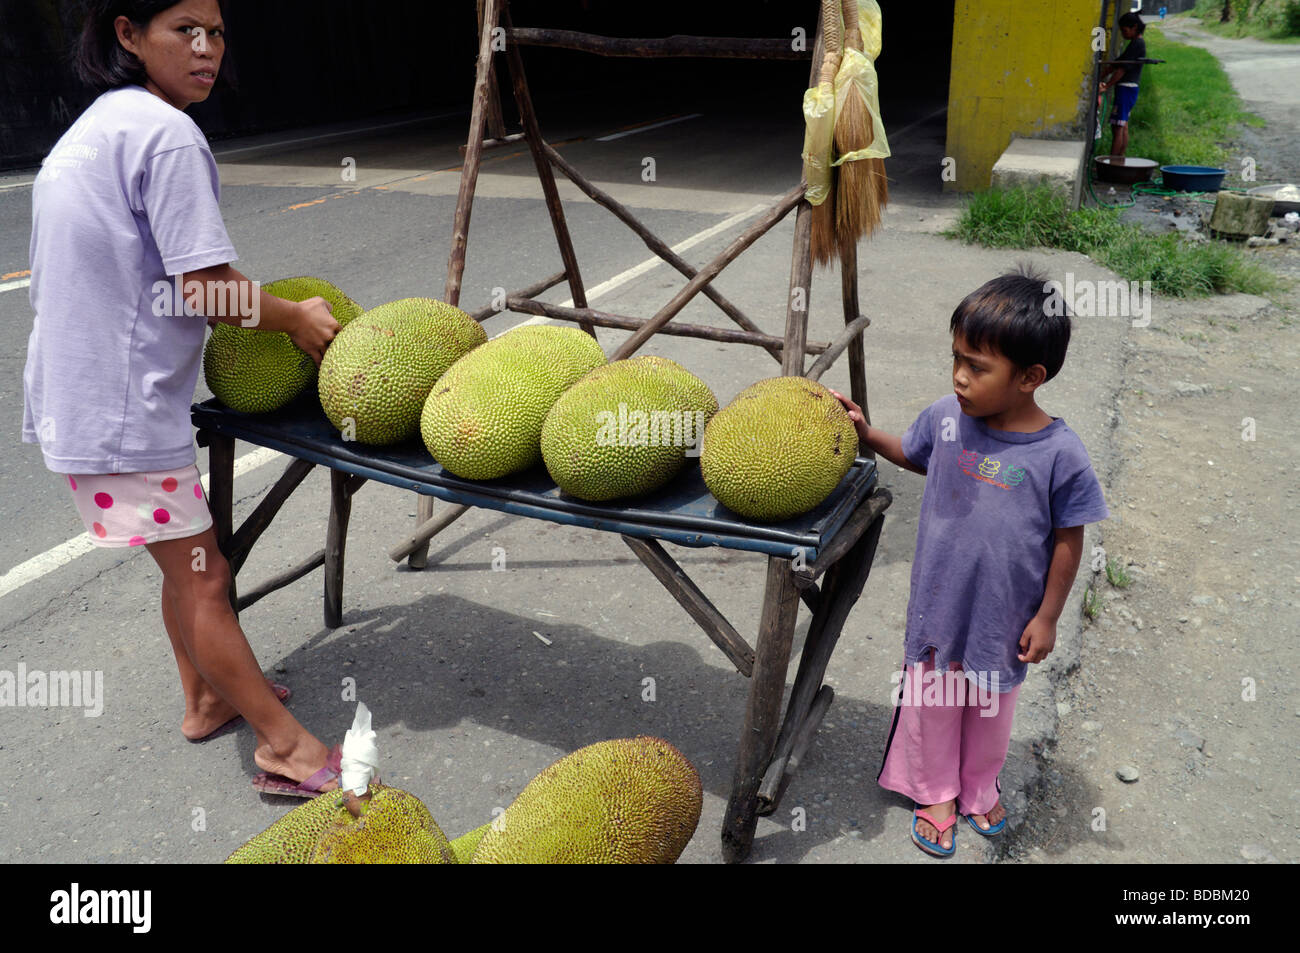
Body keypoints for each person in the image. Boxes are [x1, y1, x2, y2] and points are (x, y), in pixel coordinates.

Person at [21, 0, 344, 796]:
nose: (206, 48)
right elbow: (206, 292)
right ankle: (288, 751)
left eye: (218, 32)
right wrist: (294, 317)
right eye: (184, 30)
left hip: (81, 398)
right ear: (129, 35)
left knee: (182, 567)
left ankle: (204, 698)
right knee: (204, 575)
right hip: (120, 409)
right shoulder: (167, 135)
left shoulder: (101, 125)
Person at [834, 266, 1109, 857]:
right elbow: (913, 454)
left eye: (978, 367)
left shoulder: (1061, 455)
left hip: (1005, 615)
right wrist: (865, 431)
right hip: (940, 599)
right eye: (956, 358)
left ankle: (979, 786)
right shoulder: (947, 418)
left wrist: (1049, 617)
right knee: (933, 697)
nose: (959, 376)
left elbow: (1069, 541)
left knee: (991, 704)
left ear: (1031, 378)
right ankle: (933, 790)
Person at [1099, 13, 1147, 159]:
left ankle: (1112, 162)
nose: (1123, 34)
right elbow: (1116, 64)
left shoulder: (1137, 44)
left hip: (1126, 88)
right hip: (1129, 89)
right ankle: (1120, 158)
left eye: (1125, 31)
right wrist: (1100, 76)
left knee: (1118, 127)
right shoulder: (1134, 44)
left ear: (1135, 27)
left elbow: (1121, 69)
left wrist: (1107, 85)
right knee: (1123, 125)